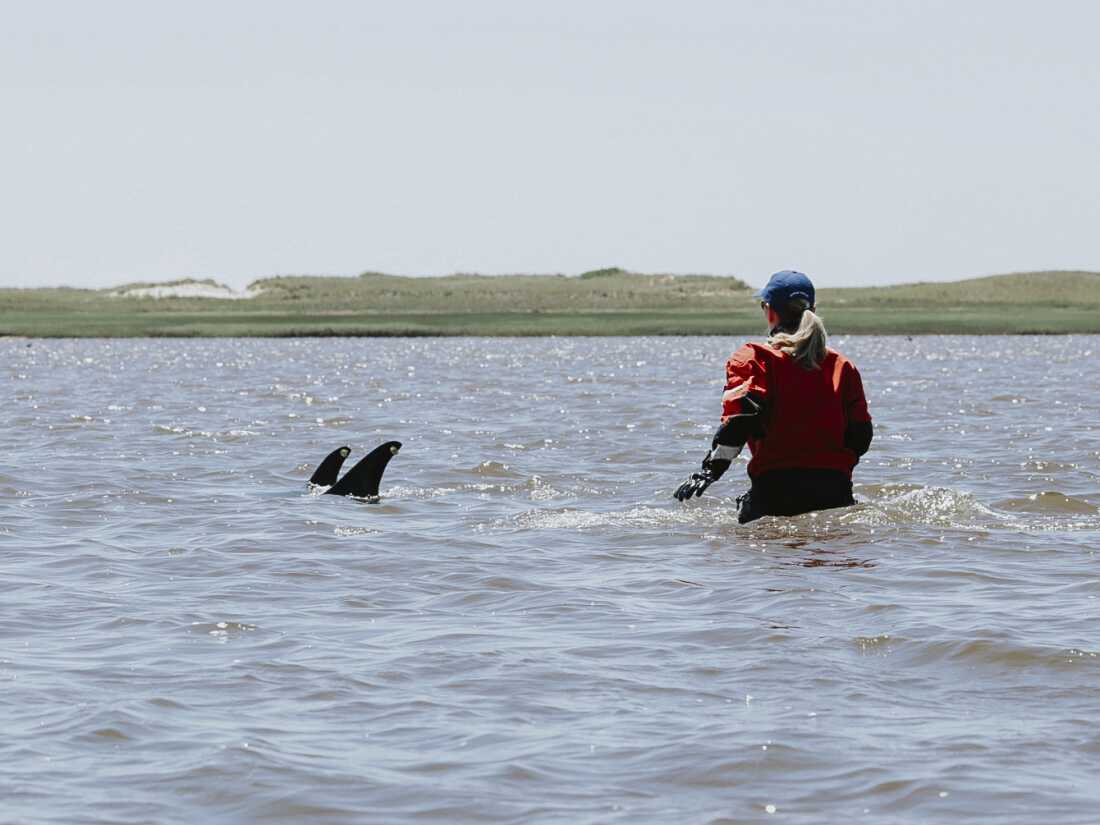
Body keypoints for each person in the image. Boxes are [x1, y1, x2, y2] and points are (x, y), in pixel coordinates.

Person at [674, 270, 872, 523]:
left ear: (768, 311)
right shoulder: (842, 366)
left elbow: (739, 422)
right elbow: (861, 437)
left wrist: (707, 473)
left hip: (774, 494)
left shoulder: (754, 359)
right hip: (836, 492)